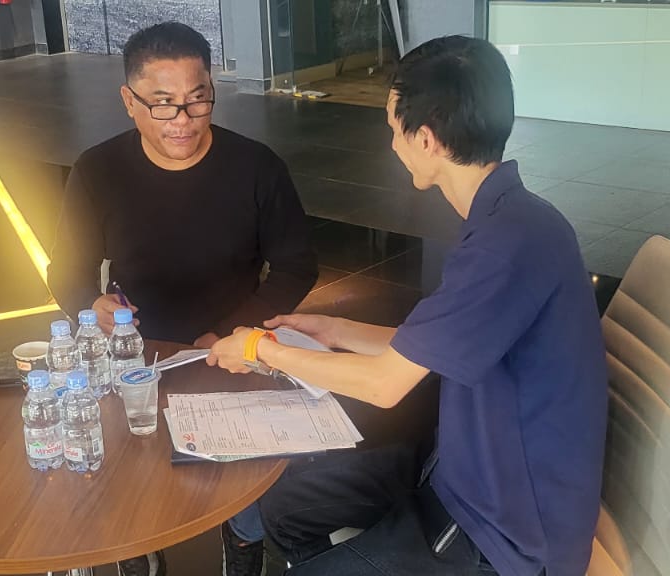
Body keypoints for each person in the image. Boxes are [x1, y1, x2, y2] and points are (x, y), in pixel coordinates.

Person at [208, 36, 607, 576]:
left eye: (394, 129)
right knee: (286, 508)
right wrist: (334, 329)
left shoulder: (506, 247)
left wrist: (259, 348)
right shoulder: (511, 218)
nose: (392, 144)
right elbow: (428, 346)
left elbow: (385, 385)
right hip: (459, 466)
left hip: (504, 529)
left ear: (426, 140)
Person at [48, 21, 317, 349]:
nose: (183, 120)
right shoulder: (97, 170)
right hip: (135, 347)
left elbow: (296, 268)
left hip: (232, 344)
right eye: (163, 104)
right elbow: (66, 272)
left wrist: (226, 334)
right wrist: (90, 305)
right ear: (129, 102)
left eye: (197, 99)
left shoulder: (258, 167)